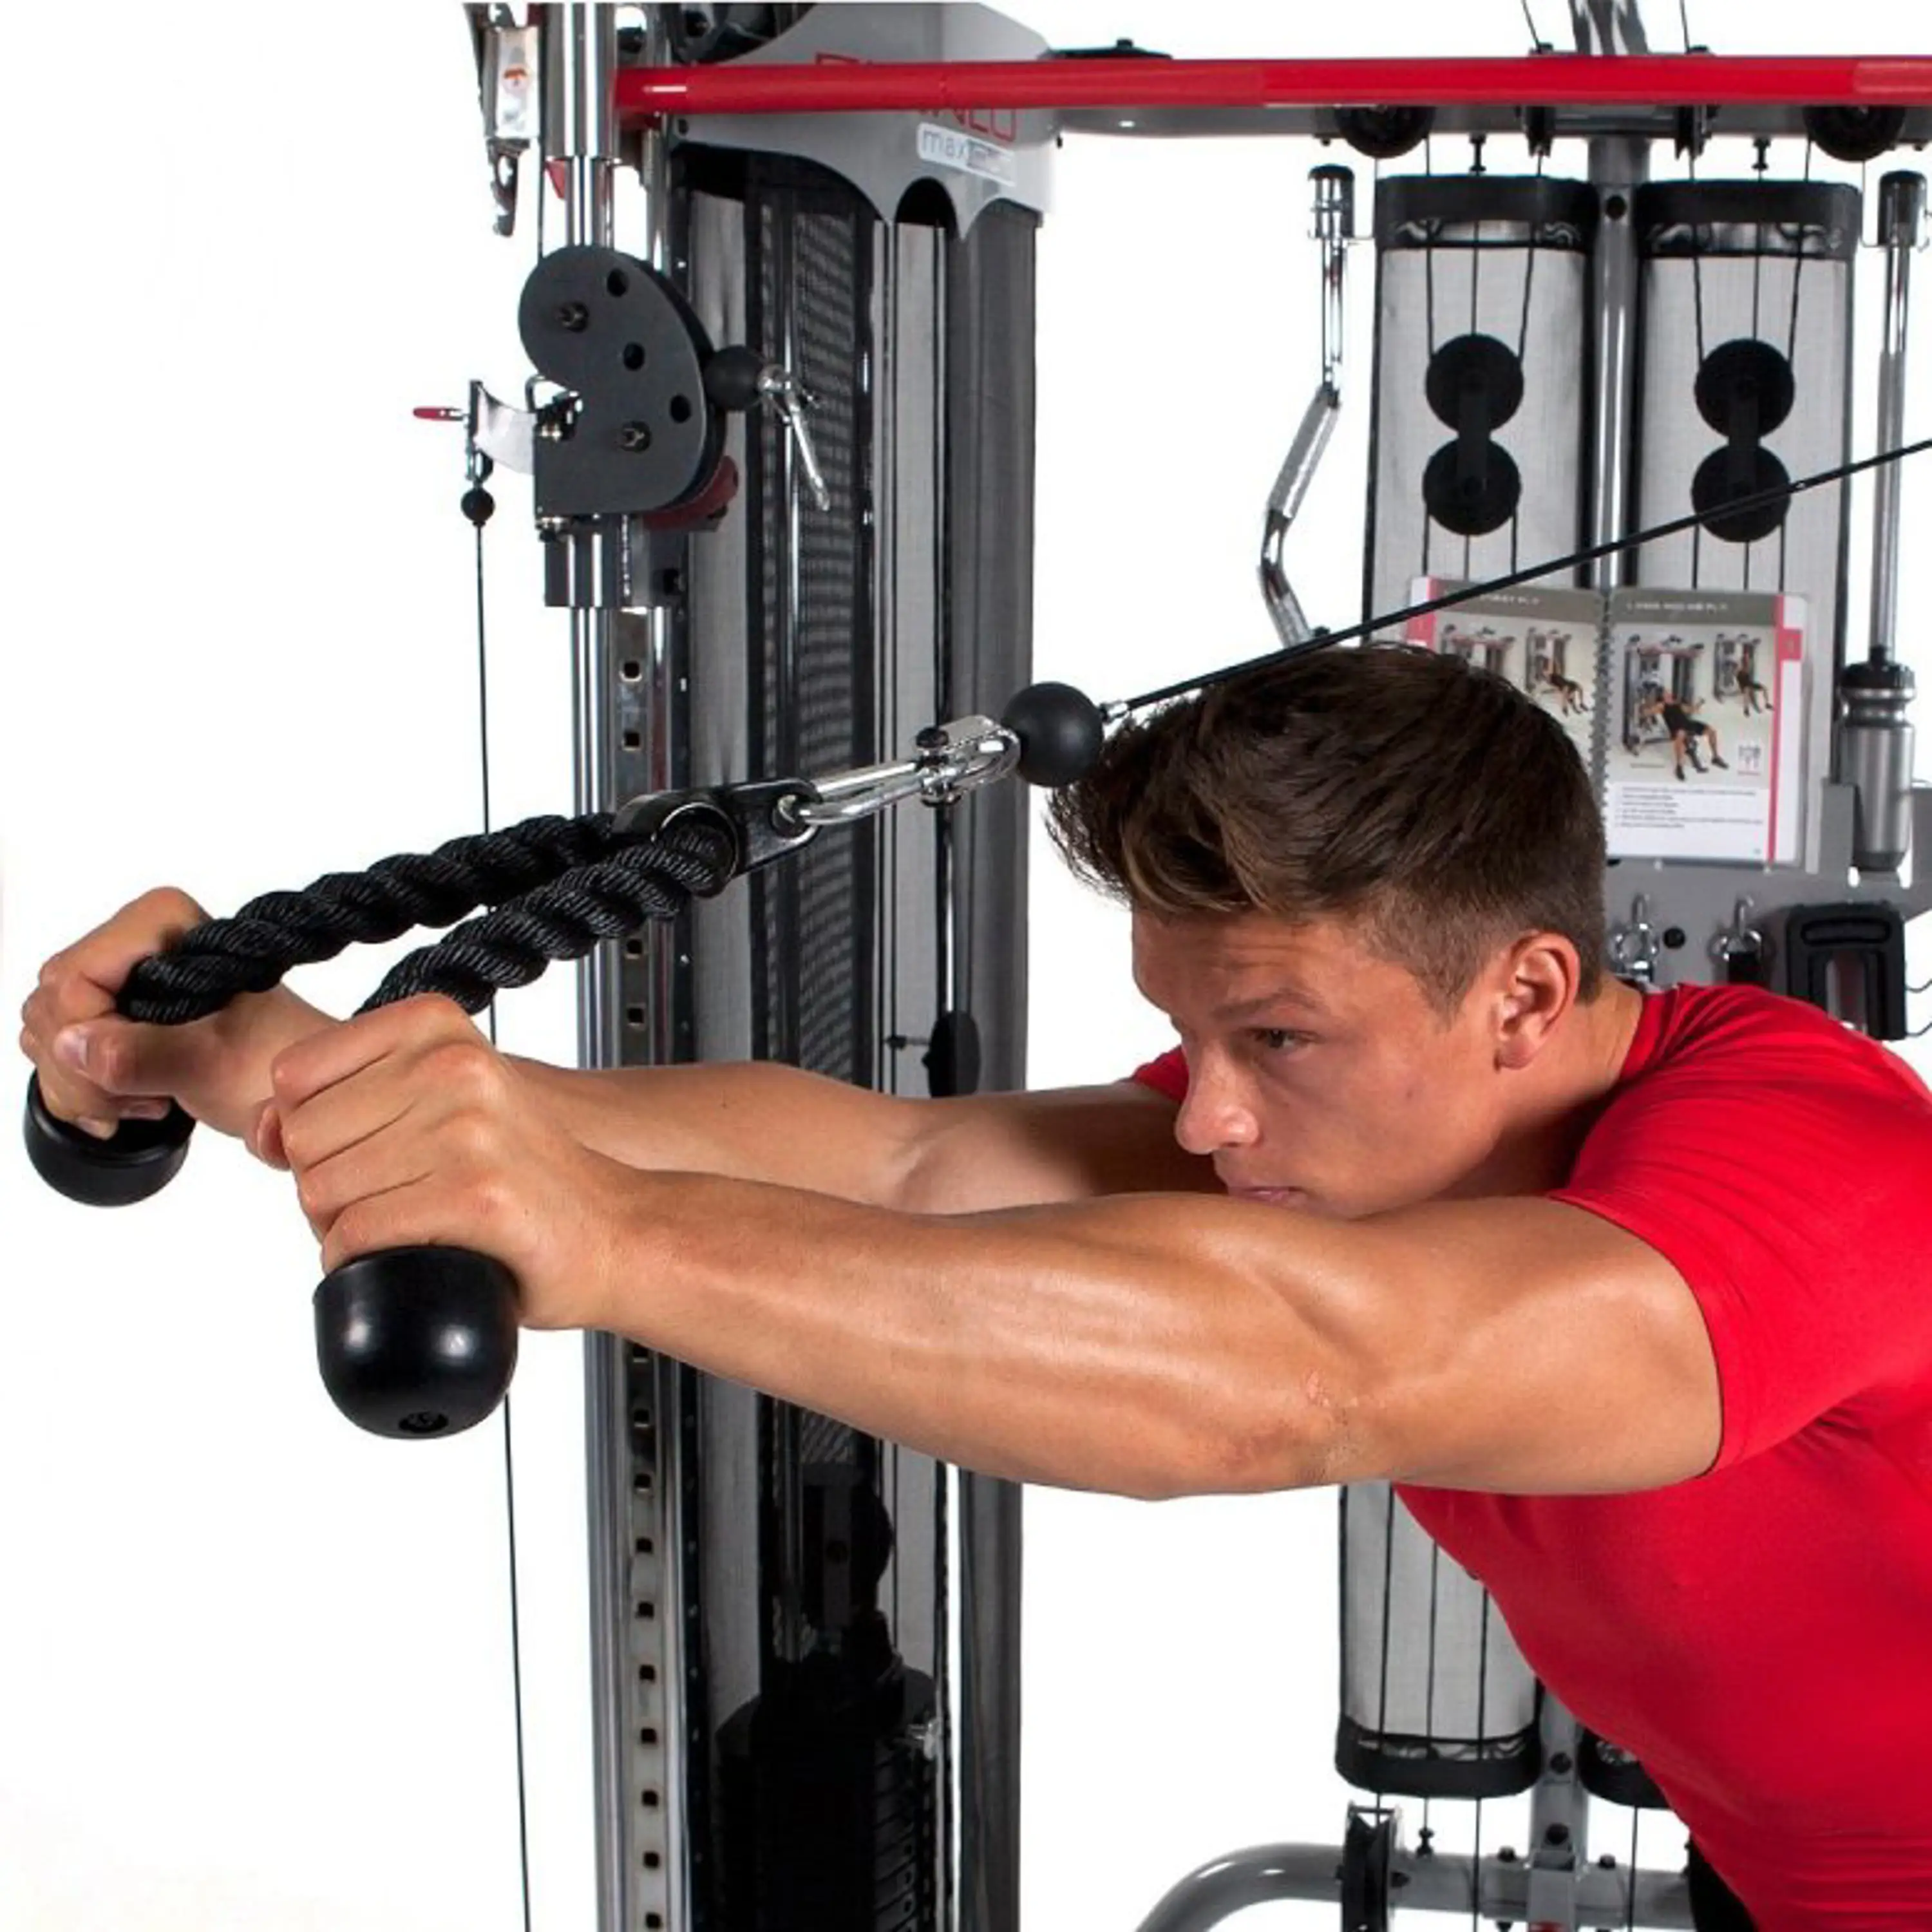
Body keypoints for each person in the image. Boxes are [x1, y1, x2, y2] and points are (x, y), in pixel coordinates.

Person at [19, 646, 1932, 1929]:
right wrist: (286, 1066)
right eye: (1194, 1034)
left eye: (1273, 1037)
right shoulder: (1365, 1130)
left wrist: (607, 1241)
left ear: (1524, 992)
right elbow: (907, 1170)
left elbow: (1309, 1375)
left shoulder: (1821, 1173)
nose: (1206, 1115)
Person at [1641, 689, 1732, 781]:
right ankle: (1679, 766)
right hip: (1677, 728)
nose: (1669, 694)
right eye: (1666, 694)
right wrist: (1646, 706)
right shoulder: (1662, 706)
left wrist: (1700, 704)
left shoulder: (1678, 705)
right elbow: (1648, 712)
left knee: (1712, 731)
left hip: (1688, 725)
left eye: (1669, 693)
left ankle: (1716, 758)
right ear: (1663, 697)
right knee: (1681, 734)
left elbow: (1693, 710)